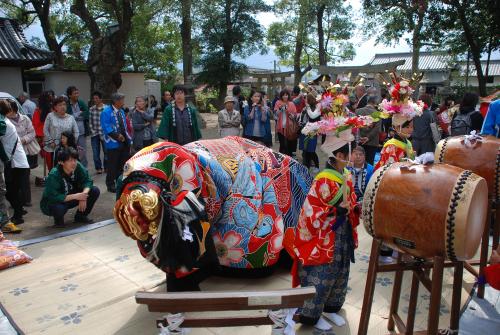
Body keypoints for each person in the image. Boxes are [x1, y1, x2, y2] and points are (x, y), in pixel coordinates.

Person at [292, 137, 359, 331]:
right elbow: (310, 210)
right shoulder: (323, 180)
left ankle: (331, 308)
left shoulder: (345, 174)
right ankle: (313, 314)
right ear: (339, 156)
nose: (353, 157)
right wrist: (335, 211)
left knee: (340, 272)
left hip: (342, 233)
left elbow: (351, 198)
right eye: (350, 154)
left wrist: (352, 208)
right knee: (321, 276)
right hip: (324, 237)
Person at [40, 147, 100, 227]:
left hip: (71, 194)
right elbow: (53, 196)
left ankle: (80, 216)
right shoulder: (54, 174)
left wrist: (83, 195)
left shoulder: (77, 166)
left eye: (75, 160)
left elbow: (87, 181)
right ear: (61, 162)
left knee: (94, 190)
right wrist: (76, 196)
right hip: (53, 202)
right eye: (70, 160)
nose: (73, 163)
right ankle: (58, 221)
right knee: (59, 208)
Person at [0, 100, 30, 226]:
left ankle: (18, 215)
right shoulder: (7, 122)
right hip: (17, 162)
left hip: (17, 163)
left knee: (10, 191)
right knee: (13, 190)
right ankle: (20, 211)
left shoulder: (4, 124)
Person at [6, 100, 37, 207]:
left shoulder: (25, 118)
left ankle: (26, 200)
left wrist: (23, 140)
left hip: (26, 151)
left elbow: (32, 133)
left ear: (13, 110)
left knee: (25, 177)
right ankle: (16, 200)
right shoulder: (6, 121)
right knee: (14, 178)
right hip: (13, 153)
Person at [101, 92, 132, 193]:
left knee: (121, 164)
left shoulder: (121, 111)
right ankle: (110, 184)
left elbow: (125, 126)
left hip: (123, 142)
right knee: (112, 165)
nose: (123, 102)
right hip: (113, 142)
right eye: (122, 100)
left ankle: (120, 182)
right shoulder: (106, 112)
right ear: (116, 101)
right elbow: (106, 128)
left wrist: (127, 138)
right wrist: (117, 136)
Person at [43, 96, 79, 173]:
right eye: (59, 105)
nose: (62, 107)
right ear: (55, 107)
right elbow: (45, 130)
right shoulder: (50, 116)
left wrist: (72, 143)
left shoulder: (71, 118)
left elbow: (76, 132)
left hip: (67, 148)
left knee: (68, 168)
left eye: (64, 104)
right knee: (55, 168)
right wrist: (50, 141)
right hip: (53, 147)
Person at [32, 91, 54, 183]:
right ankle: (52, 176)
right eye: (50, 97)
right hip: (46, 137)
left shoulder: (40, 110)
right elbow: (37, 125)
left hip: (46, 137)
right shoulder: (39, 111)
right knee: (50, 158)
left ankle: (52, 175)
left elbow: (35, 124)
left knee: (50, 158)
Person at [66, 86, 89, 167]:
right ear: (70, 95)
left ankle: (84, 170)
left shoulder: (81, 103)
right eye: (75, 93)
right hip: (71, 134)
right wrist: (78, 114)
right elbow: (68, 117)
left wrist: (75, 116)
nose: (77, 95)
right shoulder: (67, 104)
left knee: (83, 152)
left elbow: (86, 114)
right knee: (72, 152)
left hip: (82, 132)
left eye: (77, 93)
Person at [299, 93, 321, 174]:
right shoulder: (305, 108)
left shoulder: (317, 108)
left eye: (306, 99)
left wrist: (307, 107)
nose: (304, 100)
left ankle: (317, 166)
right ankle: (306, 166)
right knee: (305, 150)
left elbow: (312, 116)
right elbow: (302, 118)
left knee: (311, 150)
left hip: (313, 131)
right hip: (305, 130)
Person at [356, 95, 381, 165]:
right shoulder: (378, 114)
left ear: (367, 102)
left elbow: (355, 126)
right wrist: (368, 137)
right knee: (369, 163)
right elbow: (377, 129)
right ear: (375, 103)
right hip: (372, 142)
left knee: (358, 162)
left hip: (359, 140)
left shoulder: (358, 111)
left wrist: (360, 136)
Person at [274, 89, 297, 156]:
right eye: (283, 95)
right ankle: (280, 159)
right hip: (280, 127)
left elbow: (294, 117)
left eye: (286, 95)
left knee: (289, 145)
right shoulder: (278, 103)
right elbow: (275, 115)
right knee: (282, 144)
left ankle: (289, 159)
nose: (285, 96)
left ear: (288, 96)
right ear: (281, 96)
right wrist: (280, 109)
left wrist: (288, 112)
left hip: (289, 127)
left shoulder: (291, 104)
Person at [89, 91, 107, 174]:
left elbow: (108, 121)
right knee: (95, 153)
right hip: (95, 134)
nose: (95, 100)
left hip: (104, 134)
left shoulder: (106, 108)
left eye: (96, 98)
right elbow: (90, 122)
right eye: (94, 98)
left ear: (101, 99)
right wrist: (92, 131)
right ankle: (98, 168)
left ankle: (106, 167)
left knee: (106, 152)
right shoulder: (91, 109)